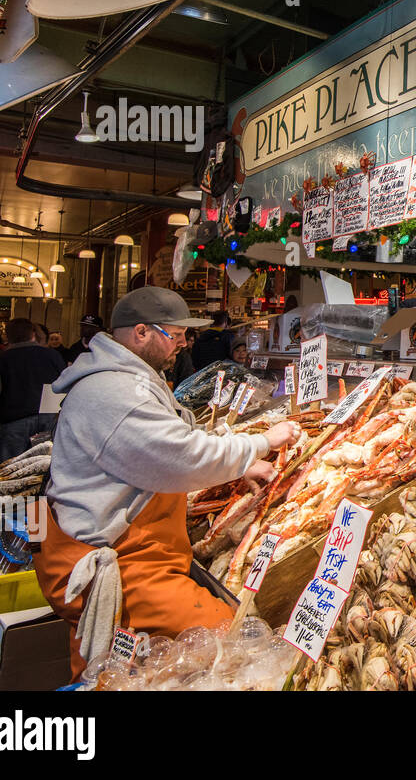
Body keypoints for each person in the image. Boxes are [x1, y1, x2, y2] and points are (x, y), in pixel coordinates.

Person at [32, 287, 301, 676]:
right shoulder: (116, 391)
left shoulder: (129, 379)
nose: (182, 345)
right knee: (229, 638)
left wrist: (238, 465)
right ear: (141, 332)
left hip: (129, 544)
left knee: (134, 665)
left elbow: (168, 445)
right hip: (116, 558)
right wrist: (261, 443)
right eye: (174, 336)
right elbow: (181, 455)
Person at [0, 318, 66, 463]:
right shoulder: (52, 355)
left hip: (15, 419)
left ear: (8, 336)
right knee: (45, 466)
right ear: (33, 334)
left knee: (11, 469)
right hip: (49, 417)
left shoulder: (3, 359)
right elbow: (64, 382)